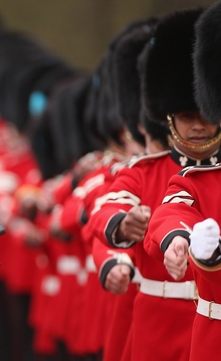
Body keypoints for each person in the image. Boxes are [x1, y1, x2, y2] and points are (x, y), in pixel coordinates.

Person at [88, 8, 219, 361]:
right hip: (160, 321)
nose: (197, 127)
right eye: (186, 116)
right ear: (169, 117)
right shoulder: (145, 171)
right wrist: (122, 223)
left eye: (205, 116)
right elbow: (105, 206)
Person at [146, 2, 221, 360]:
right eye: (187, 116)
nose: (196, 126)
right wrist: (181, 239)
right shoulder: (198, 181)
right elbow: (173, 212)